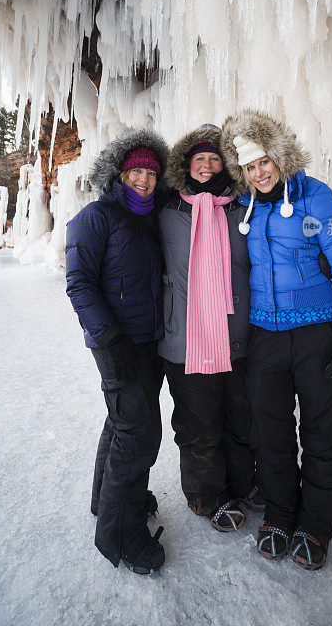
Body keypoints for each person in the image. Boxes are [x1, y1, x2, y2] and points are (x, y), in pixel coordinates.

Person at [220, 110, 332, 570]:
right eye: (249, 167)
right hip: (266, 334)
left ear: (279, 156)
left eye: (264, 162)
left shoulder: (316, 196)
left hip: (315, 333)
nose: (259, 173)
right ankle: (282, 515)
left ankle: (315, 526)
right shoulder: (247, 206)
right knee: (271, 433)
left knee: (324, 431)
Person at [65, 128, 169, 575]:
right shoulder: (97, 216)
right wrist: (110, 337)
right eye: (135, 172)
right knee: (139, 434)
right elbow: (79, 283)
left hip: (146, 342)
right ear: (119, 174)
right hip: (116, 344)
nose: (143, 180)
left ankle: (103, 501)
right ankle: (121, 536)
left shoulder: (151, 218)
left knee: (121, 423)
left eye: (150, 172)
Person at [158, 124, 256, 532]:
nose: (207, 165)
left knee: (240, 419)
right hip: (186, 339)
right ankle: (206, 497)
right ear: (186, 163)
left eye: (215, 158)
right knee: (199, 425)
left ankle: (242, 486)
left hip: (237, 336)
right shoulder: (165, 210)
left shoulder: (242, 208)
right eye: (199, 158)